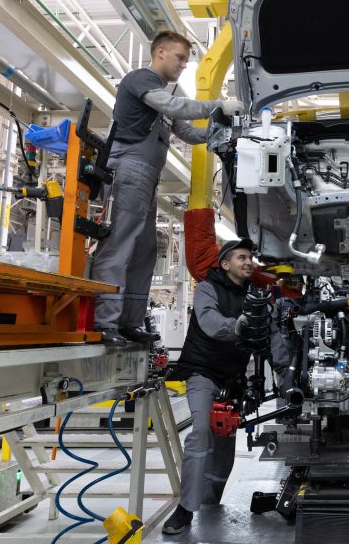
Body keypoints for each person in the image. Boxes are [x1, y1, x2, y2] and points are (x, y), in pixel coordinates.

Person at [92, 31, 244, 345]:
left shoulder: (160, 95)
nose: (183, 65)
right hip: (129, 166)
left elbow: (186, 132)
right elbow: (174, 106)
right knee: (120, 245)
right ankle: (104, 323)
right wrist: (218, 105)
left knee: (146, 250)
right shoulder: (141, 81)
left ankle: (129, 322)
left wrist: (218, 136)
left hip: (147, 175)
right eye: (180, 58)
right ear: (160, 51)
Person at [162, 239, 257, 535]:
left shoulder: (255, 297)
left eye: (251, 257)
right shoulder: (206, 288)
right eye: (241, 257)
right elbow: (211, 322)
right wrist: (240, 325)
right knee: (201, 432)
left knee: (225, 447)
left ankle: (210, 502)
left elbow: (273, 336)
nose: (248, 261)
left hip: (233, 380)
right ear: (225, 264)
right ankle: (186, 509)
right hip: (203, 372)